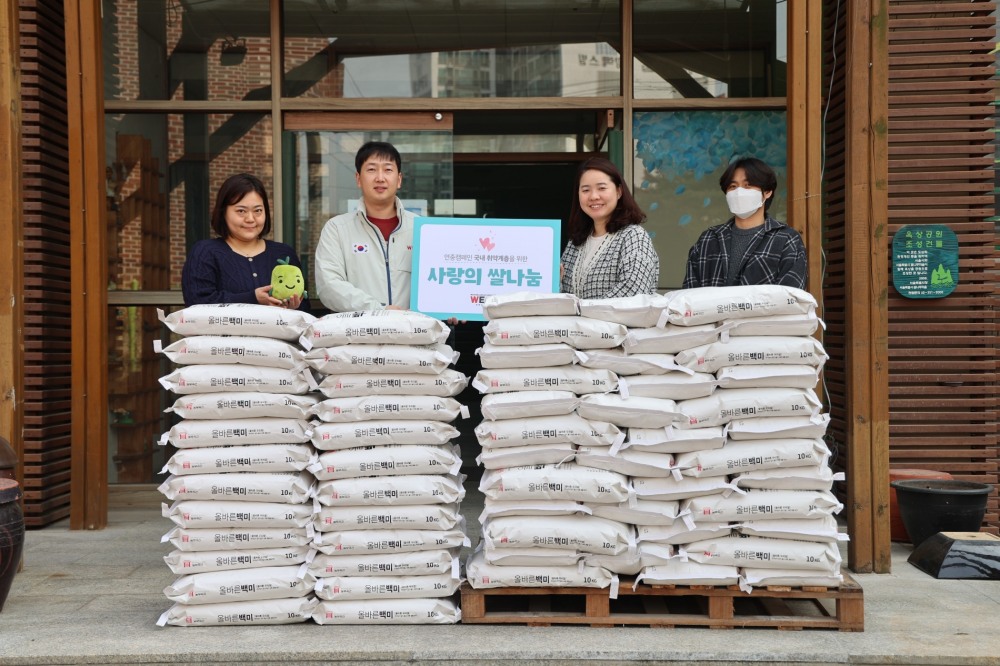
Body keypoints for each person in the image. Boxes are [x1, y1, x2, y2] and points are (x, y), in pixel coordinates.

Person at [181, 173, 310, 310]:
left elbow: (305, 310)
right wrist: (253, 298)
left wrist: (293, 307)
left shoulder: (284, 254)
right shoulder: (205, 252)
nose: (250, 218)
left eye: (258, 211)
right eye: (241, 211)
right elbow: (196, 302)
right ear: (223, 212)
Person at [314, 141, 415, 312]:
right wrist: (379, 310)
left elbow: (439, 281)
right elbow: (329, 285)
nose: (380, 178)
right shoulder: (337, 229)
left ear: (399, 180)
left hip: (414, 334)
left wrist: (448, 304)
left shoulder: (421, 229)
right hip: (359, 335)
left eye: (388, 169)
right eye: (371, 169)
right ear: (358, 179)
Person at [683, 157, 807, 289]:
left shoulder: (786, 240)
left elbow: (791, 297)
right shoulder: (708, 239)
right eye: (733, 186)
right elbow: (690, 295)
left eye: (748, 185)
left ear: (767, 192)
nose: (739, 192)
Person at [560, 157, 659, 299]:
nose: (594, 196)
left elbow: (634, 290)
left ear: (619, 191)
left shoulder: (634, 236)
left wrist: (583, 309)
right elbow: (562, 294)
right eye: (586, 190)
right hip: (576, 322)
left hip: (620, 322)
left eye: (602, 188)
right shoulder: (575, 241)